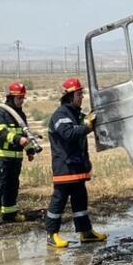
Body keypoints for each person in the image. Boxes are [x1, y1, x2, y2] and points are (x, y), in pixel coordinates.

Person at [45, 78, 107, 248]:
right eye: (79, 94)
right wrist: (87, 127)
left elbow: (85, 124)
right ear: (69, 96)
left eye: (81, 94)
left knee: (80, 199)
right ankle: (52, 234)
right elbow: (69, 134)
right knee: (59, 200)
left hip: (77, 167)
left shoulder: (76, 114)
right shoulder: (60, 115)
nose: (82, 97)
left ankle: (86, 232)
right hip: (64, 167)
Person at [0, 82, 37, 228]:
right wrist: (17, 139)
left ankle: (10, 213)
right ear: (10, 97)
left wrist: (30, 150)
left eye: (23, 98)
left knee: (13, 185)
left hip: (16, 157)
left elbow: (25, 134)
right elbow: (1, 133)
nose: (22, 101)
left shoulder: (20, 115)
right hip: (1, 156)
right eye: (19, 98)